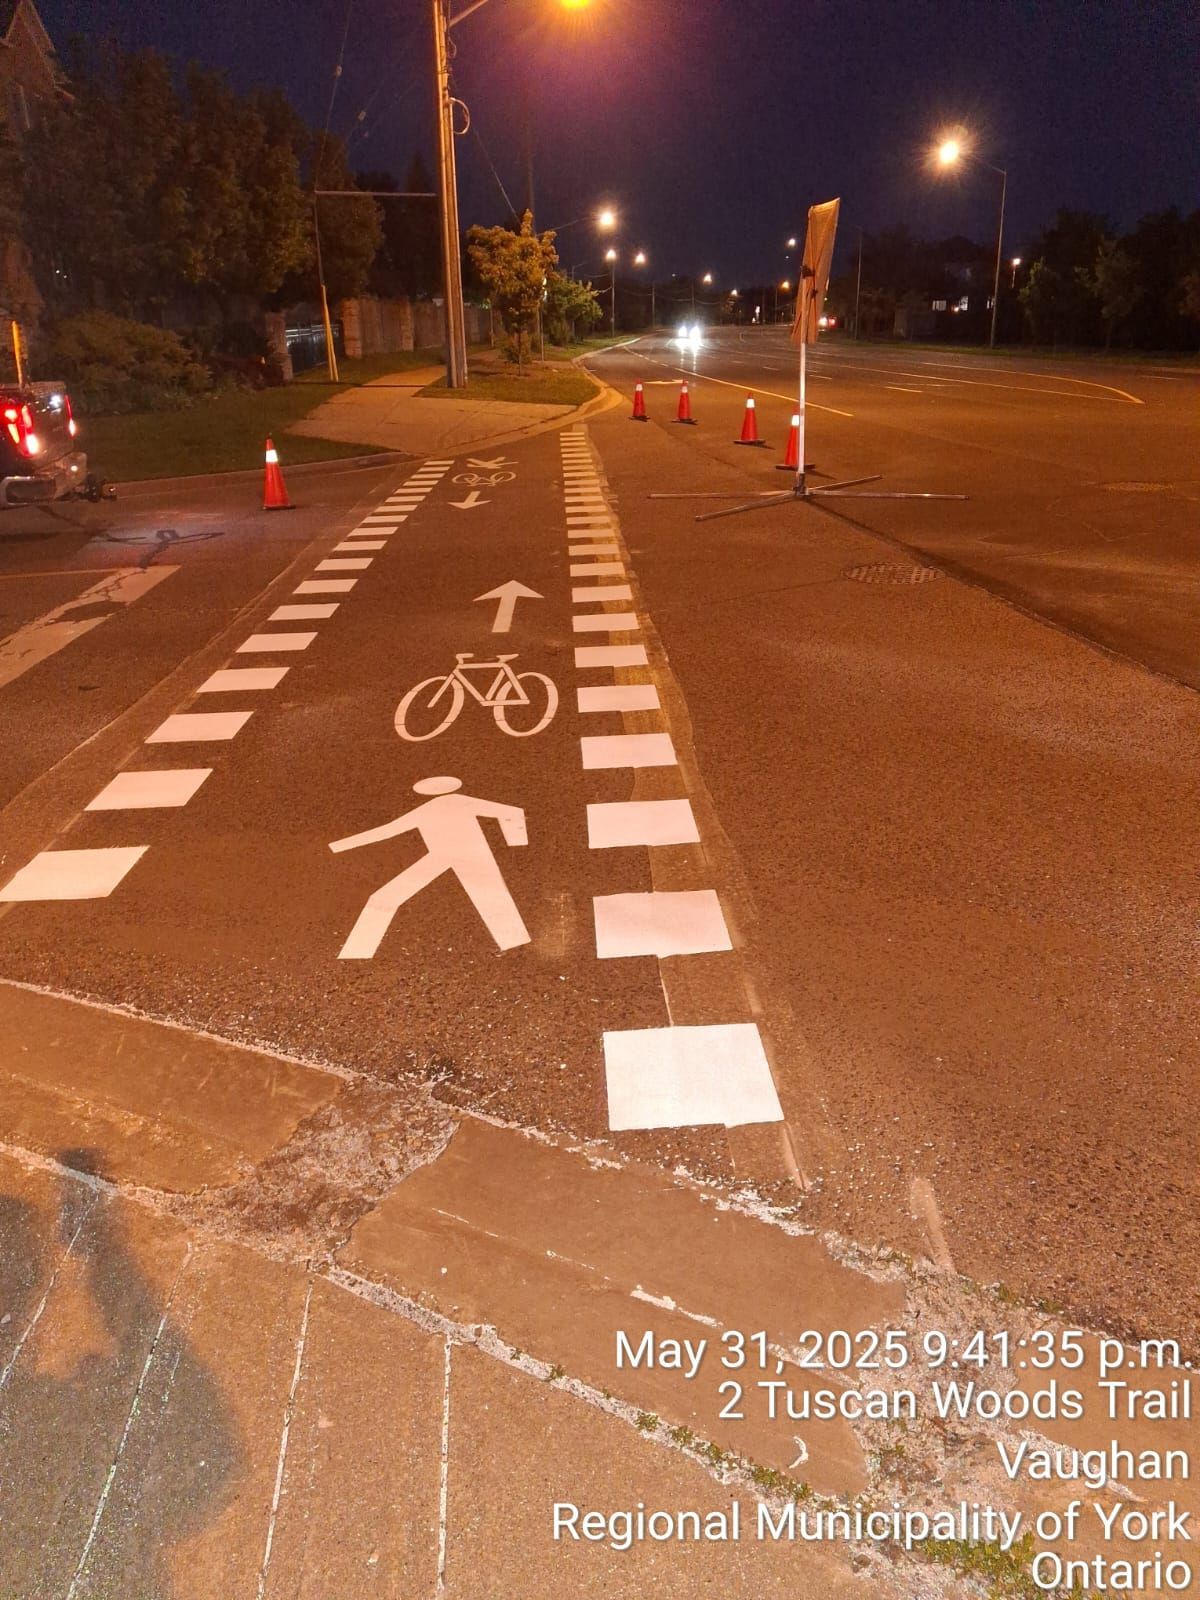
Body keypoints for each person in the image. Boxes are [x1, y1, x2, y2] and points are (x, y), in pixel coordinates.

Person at [330, 776, 529, 958]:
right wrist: (515, 841)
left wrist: (339, 846)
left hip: (457, 855)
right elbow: (511, 812)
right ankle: (514, 941)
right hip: (459, 854)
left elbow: (387, 831)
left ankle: (358, 949)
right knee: (492, 895)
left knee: (386, 896)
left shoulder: (429, 809)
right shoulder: (460, 802)